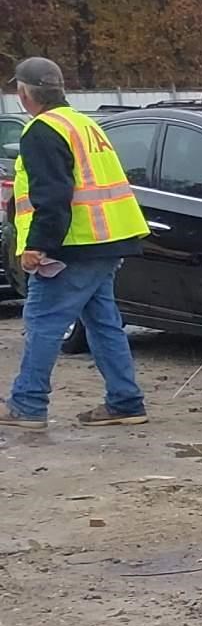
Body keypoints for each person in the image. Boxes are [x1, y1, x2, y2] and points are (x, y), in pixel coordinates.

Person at [4, 56, 149, 430]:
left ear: (23, 93)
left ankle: (27, 404)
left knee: (43, 322)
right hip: (109, 239)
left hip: (74, 245)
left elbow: (52, 195)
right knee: (104, 324)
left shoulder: (41, 130)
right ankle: (125, 400)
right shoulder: (84, 124)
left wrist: (38, 245)